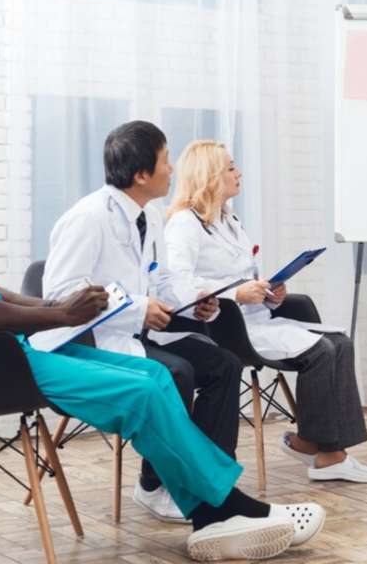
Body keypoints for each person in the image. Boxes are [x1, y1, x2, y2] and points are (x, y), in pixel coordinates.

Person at [0, 94, 324, 560]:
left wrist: (54, 307)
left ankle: (210, 511)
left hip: (3, 350)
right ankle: (223, 509)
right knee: (148, 390)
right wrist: (60, 314)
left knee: (153, 376)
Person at [43, 121, 243, 524]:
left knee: (225, 364)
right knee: (177, 373)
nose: (173, 171)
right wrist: (137, 307)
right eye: (166, 161)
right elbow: (61, 292)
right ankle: (155, 484)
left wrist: (197, 303)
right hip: (93, 340)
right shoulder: (88, 217)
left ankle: (210, 482)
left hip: (135, 331)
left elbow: (162, 280)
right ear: (141, 175)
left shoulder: (149, 216)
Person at [161, 140, 367, 484]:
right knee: (322, 351)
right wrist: (237, 293)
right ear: (209, 176)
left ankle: (317, 445)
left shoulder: (229, 218)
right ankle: (324, 453)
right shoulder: (184, 224)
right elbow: (178, 282)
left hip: (256, 319)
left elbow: (242, 276)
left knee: (340, 342)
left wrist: (269, 292)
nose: (239, 172)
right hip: (225, 330)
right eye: (231, 167)